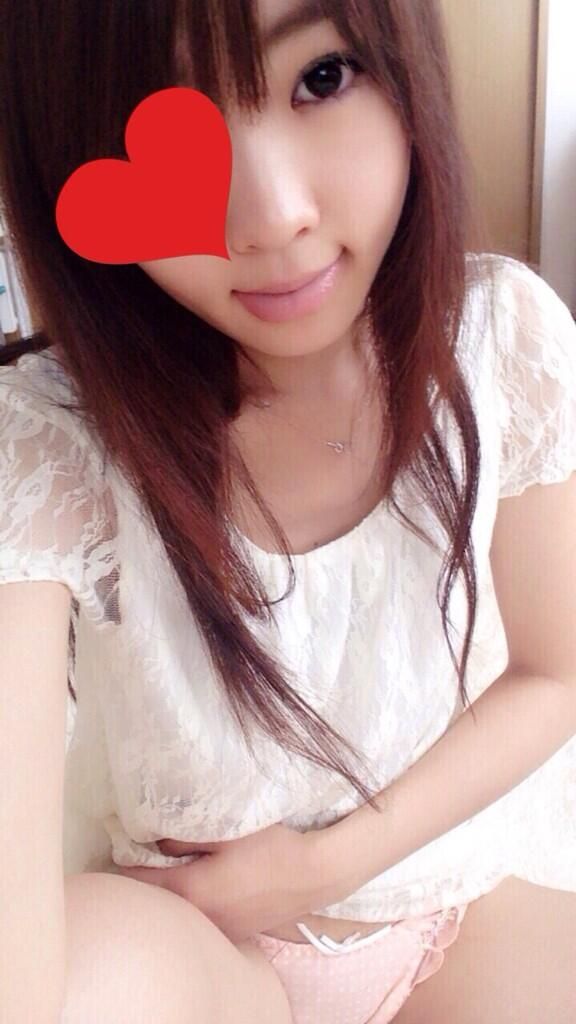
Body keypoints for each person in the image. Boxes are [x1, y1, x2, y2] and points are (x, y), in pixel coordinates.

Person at [1, 0, 575, 1022]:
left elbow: (555, 672)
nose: (270, 217)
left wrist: (319, 866)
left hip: (450, 904)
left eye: (322, 78)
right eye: (161, 125)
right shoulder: (51, 441)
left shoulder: (500, 346)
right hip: (197, 953)